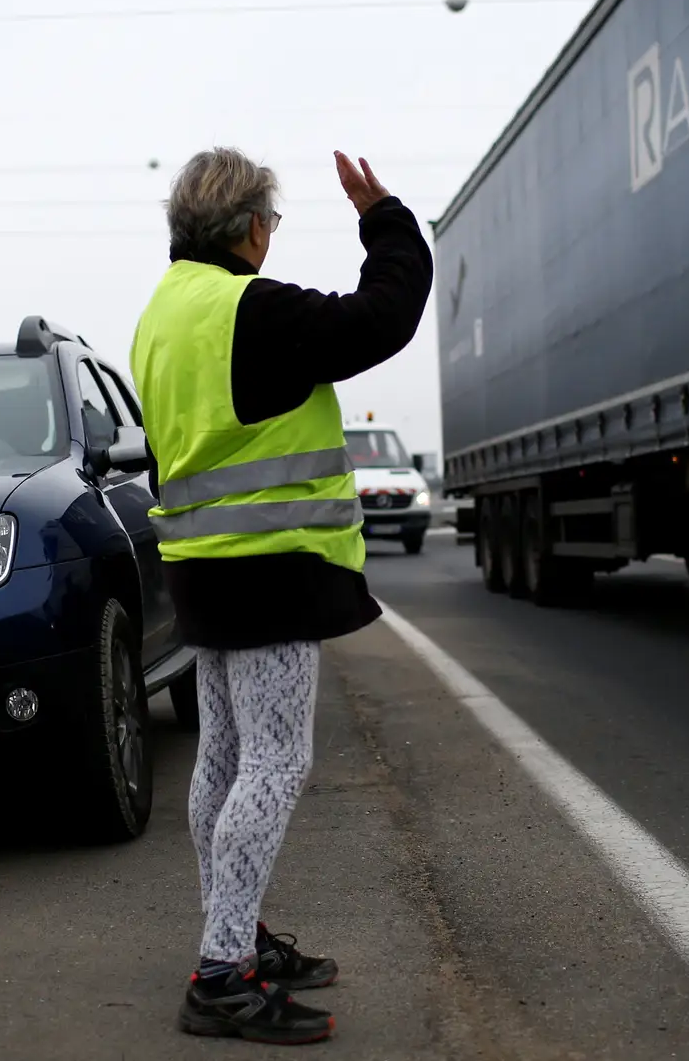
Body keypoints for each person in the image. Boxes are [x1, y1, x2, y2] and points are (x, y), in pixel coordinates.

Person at [130, 148, 432, 1044]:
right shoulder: (251, 310)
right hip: (270, 566)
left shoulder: (159, 316)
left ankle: (234, 929)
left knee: (222, 757)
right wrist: (385, 220)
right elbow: (383, 317)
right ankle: (223, 971)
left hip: (201, 565)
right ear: (250, 226)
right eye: (272, 220)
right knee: (275, 762)